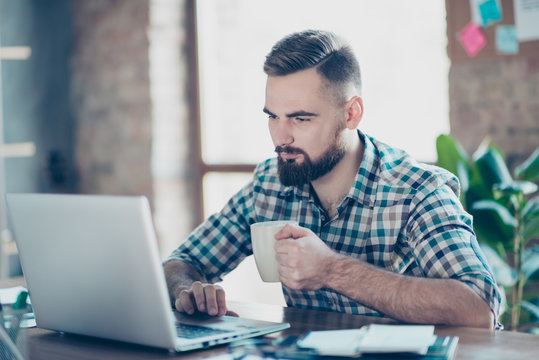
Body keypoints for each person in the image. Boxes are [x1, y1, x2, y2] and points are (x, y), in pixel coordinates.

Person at [164, 30, 501, 329]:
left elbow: (479, 307)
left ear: (351, 113)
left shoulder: (416, 190)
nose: (281, 137)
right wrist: (187, 291)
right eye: (273, 117)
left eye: (300, 118)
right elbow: (179, 264)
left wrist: (331, 269)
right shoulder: (270, 182)